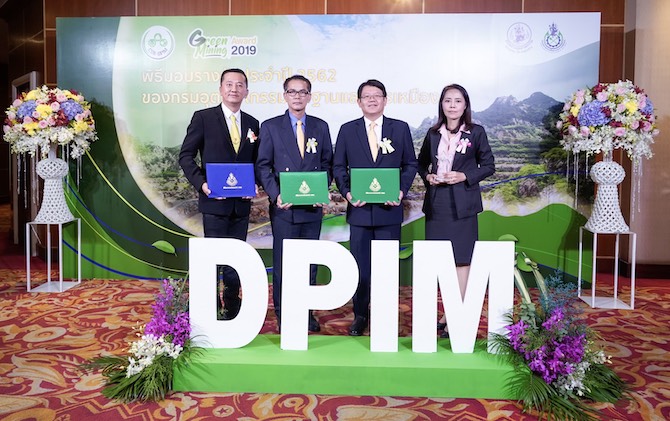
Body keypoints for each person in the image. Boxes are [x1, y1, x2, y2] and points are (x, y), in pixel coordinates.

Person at [333, 79, 418, 336]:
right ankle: (360, 314)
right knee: (360, 269)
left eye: (377, 95)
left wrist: (400, 190)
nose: (372, 100)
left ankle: (385, 314)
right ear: (359, 102)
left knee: (387, 268)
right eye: (367, 96)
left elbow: (410, 164)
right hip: (359, 212)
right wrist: (347, 192)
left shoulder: (399, 128)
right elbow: (339, 166)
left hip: (389, 212)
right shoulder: (347, 130)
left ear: (385, 100)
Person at [179, 68, 260, 320]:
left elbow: (257, 161)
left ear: (246, 91)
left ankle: (233, 305)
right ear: (221, 89)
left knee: (236, 258)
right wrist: (202, 184)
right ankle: (209, 306)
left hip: (241, 204)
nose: (234, 89)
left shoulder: (253, 123)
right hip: (214, 202)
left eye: (239, 85)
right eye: (229, 84)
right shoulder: (203, 118)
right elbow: (186, 156)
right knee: (213, 257)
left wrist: (255, 183)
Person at [256, 74, 333, 332]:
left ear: (309, 96)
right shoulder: (270, 127)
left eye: (302, 92)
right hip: (284, 208)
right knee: (284, 264)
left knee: (309, 264)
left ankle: (307, 313)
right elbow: (263, 166)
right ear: (285, 95)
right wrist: (276, 194)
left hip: (312, 208)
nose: (297, 96)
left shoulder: (321, 127)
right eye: (292, 91)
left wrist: (321, 188)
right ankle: (284, 314)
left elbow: (328, 163)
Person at [417, 83, 495, 338]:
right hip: (437, 203)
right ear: (442, 105)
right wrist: (428, 176)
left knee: (462, 259)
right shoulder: (432, 134)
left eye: (457, 101)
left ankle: (457, 315)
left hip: (463, 204)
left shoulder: (476, 132)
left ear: (465, 105)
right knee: (441, 261)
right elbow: (421, 164)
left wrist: (464, 175)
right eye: (447, 100)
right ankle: (447, 311)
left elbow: (489, 165)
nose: (452, 105)